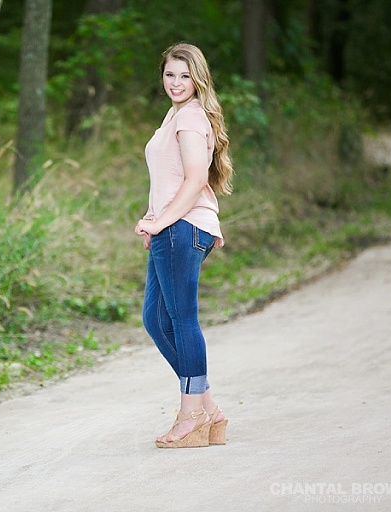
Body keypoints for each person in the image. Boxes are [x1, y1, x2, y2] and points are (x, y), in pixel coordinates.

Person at [134, 42, 233, 448]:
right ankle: (209, 409)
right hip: (176, 228)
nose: (176, 82)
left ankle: (191, 414)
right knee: (157, 320)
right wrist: (155, 219)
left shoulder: (190, 119)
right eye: (170, 74)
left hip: (183, 228)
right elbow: (172, 179)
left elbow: (194, 180)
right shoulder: (176, 114)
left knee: (181, 320)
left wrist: (161, 220)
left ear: (198, 78)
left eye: (184, 75)